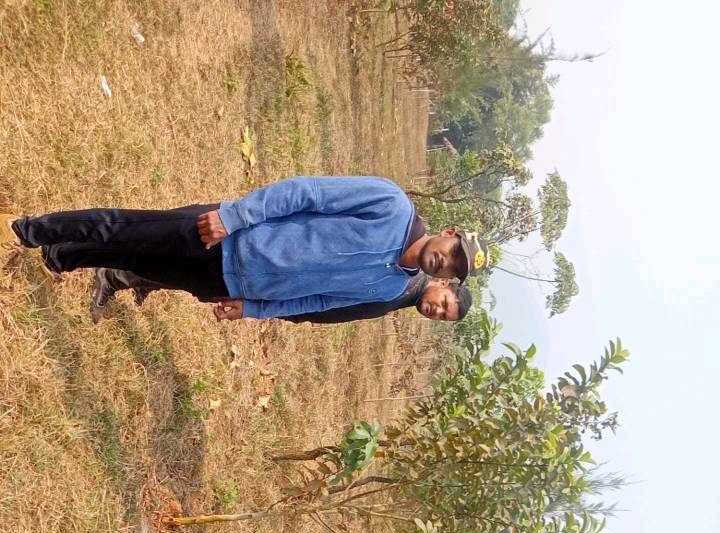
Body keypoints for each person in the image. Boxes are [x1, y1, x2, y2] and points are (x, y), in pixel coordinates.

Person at [1, 176, 488, 321]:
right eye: (453, 250)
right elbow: (305, 193)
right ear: (449, 232)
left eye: (454, 267)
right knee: (124, 229)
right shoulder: (391, 204)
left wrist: (253, 307)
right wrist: (234, 216)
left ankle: (59, 257)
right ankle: (27, 231)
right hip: (228, 236)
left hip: (230, 281)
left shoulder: (388, 288)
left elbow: (319, 302)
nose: (446, 260)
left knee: (132, 259)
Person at [87, 267, 474, 324]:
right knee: (207, 281)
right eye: (444, 304)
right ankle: (115, 276)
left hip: (288, 299)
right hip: (283, 284)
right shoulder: (404, 279)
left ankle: (145, 281)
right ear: (443, 284)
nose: (437, 311)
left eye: (443, 316)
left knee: (206, 286)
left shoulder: (406, 296)